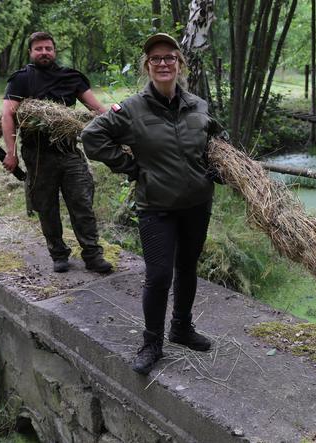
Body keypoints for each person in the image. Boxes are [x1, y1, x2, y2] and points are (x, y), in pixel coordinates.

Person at [81, 33, 222, 375]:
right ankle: (152, 342)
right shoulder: (131, 109)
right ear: (147, 65)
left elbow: (218, 141)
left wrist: (219, 170)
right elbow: (92, 137)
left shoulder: (198, 106)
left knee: (188, 269)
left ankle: (182, 328)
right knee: (159, 275)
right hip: (156, 207)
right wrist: (131, 167)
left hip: (197, 204)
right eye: (155, 58)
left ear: (179, 64)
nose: (163, 63)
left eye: (169, 57)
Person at [1, 31, 112, 274]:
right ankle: (58, 254)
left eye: (48, 48)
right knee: (46, 206)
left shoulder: (71, 77)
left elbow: (97, 109)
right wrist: (11, 153)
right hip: (38, 155)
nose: (44, 53)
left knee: (82, 203)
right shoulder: (22, 79)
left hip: (69, 152)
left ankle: (92, 255)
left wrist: (121, 126)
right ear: (31, 52)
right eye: (38, 48)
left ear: (54, 51)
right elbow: (8, 115)